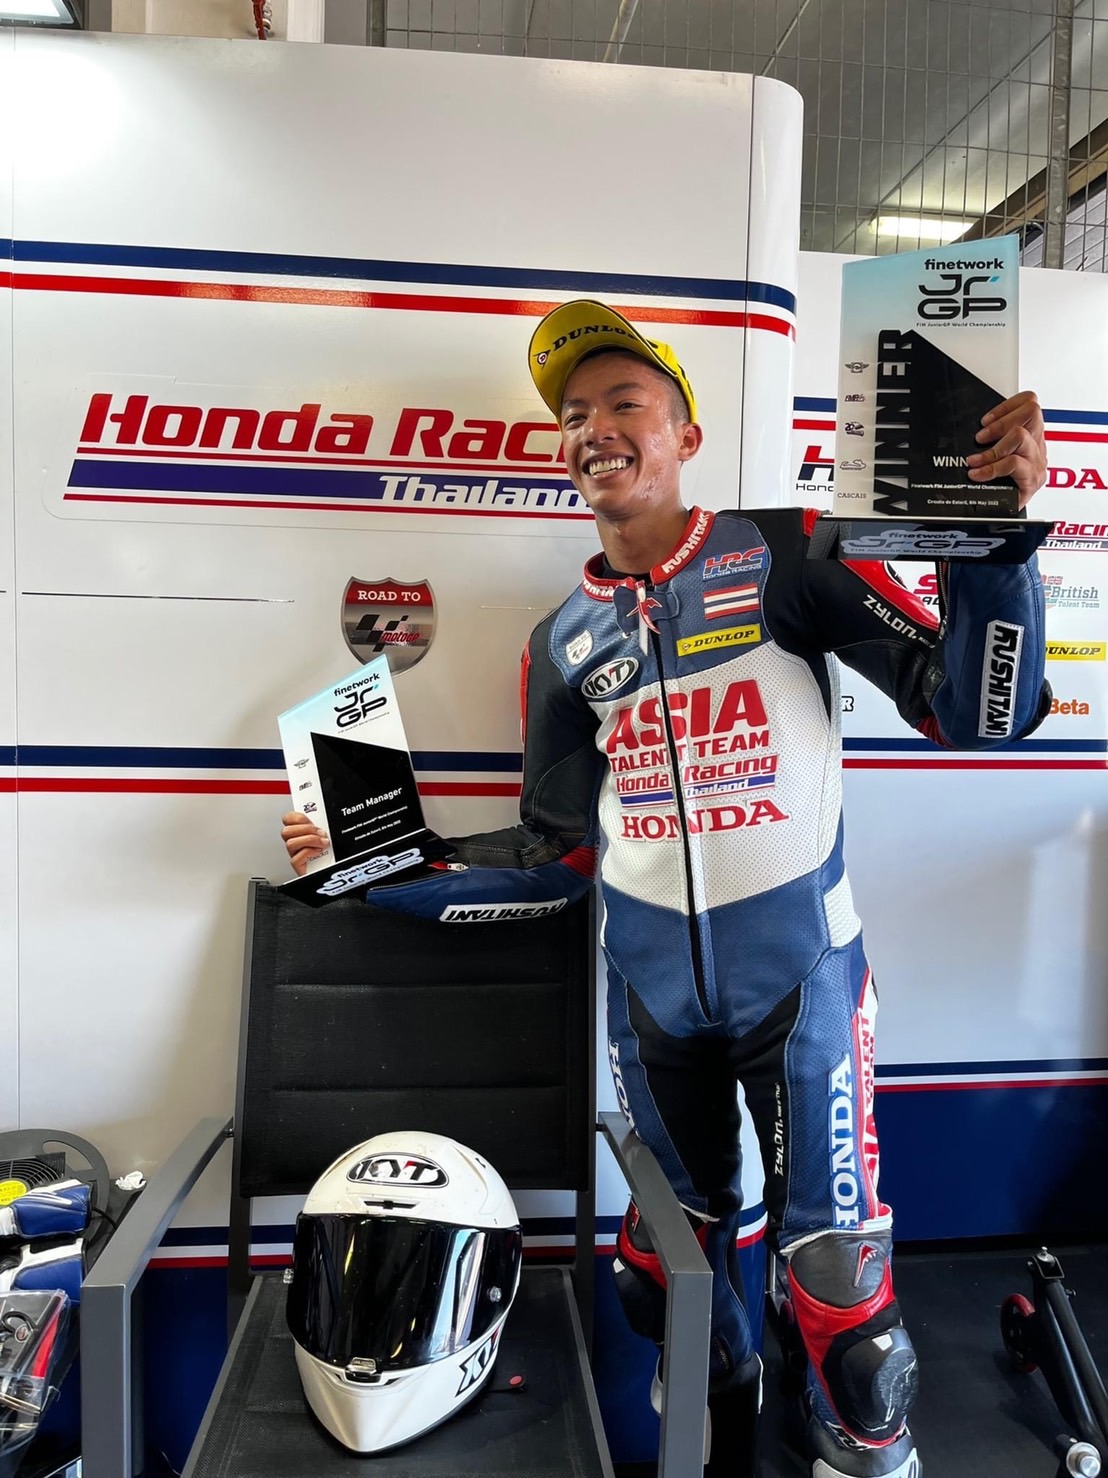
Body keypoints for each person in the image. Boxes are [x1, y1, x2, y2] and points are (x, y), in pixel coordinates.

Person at [282, 300, 1050, 1478]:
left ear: (685, 435)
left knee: (841, 1299)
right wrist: (377, 866)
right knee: (662, 1277)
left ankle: (857, 1444)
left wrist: (994, 548)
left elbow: (972, 712)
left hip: (802, 984)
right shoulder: (558, 641)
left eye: (623, 401)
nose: (593, 426)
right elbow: (556, 854)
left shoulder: (793, 550)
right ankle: (725, 1426)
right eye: (572, 413)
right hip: (650, 1009)